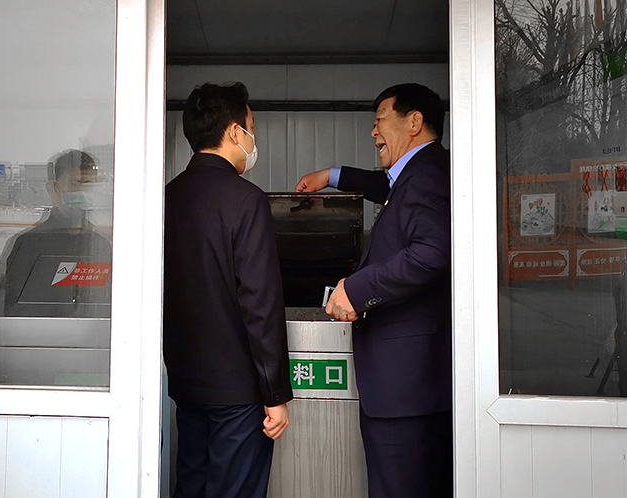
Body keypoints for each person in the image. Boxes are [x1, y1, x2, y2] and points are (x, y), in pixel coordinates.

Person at [297, 82, 451, 498]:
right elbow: (388, 188)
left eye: (380, 120)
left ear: (414, 122)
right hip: (412, 386)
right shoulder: (423, 171)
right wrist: (331, 175)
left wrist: (357, 289)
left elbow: (432, 252)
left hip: (407, 388)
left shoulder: (426, 177)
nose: (373, 131)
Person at [165, 82, 292, 498]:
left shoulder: (166, 198)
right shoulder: (246, 199)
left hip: (187, 385)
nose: (253, 139)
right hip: (238, 392)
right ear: (236, 132)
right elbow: (260, 302)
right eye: (252, 127)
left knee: (192, 485)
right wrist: (275, 393)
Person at [0, 149, 112, 318]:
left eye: (89, 186)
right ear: (54, 189)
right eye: (75, 184)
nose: (83, 193)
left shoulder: (102, 245)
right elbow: (10, 312)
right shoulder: (29, 244)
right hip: (43, 334)